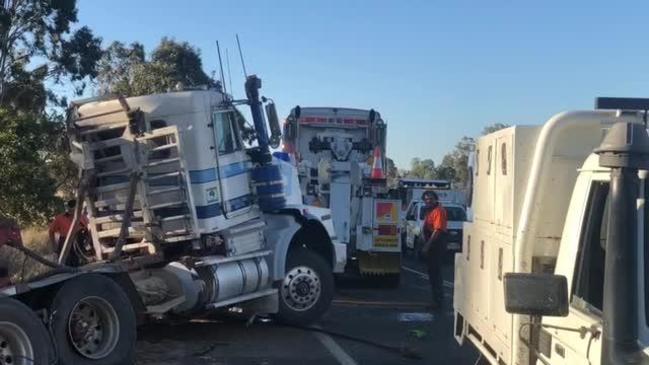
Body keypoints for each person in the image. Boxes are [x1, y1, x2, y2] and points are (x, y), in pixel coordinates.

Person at [420, 191, 448, 311]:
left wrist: (427, 245)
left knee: (436, 274)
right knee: (432, 273)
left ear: (435, 199)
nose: (428, 201)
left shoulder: (439, 211)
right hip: (431, 244)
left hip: (436, 244)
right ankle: (435, 300)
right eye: (426, 199)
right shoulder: (429, 211)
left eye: (430, 199)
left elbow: (437, 230)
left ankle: (438, 302)